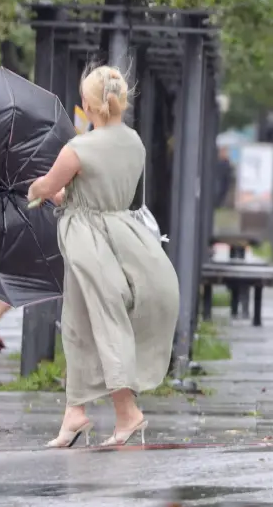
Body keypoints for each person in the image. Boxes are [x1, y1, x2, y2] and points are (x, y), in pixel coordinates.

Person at [27, 65, 179, 448]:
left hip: (88, 241)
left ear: (87, 105)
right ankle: (74, 413)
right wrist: (63, 197)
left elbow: (49, 186)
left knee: (105, 322)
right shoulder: (134, 143)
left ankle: (128, 413)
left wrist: (35, 187)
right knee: (77, 323)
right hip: (122, 233)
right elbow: (95, 193)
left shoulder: (78, 149)